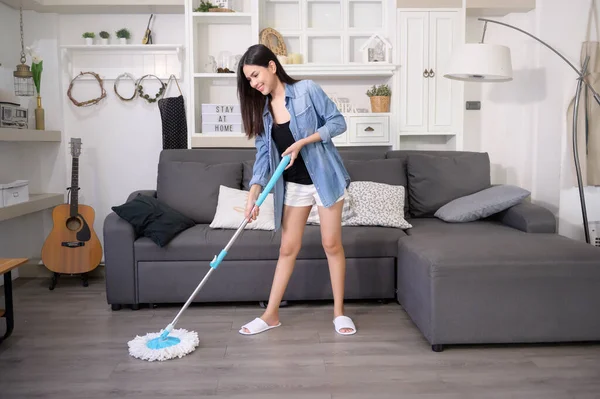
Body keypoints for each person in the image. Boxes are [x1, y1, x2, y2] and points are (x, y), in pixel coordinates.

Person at [236, 44, 356, 336]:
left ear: (272, 66)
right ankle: (270, 315)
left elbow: (338, 123)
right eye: (249, 80)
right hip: (294, 187)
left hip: (325, 179)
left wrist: (304, 142)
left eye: (255, 75)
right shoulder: (263, 111)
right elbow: (264, 156)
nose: (254, 83)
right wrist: (253, 195)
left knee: (331, 244)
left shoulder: (307, 90)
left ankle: (339, 313)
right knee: (287, 248)